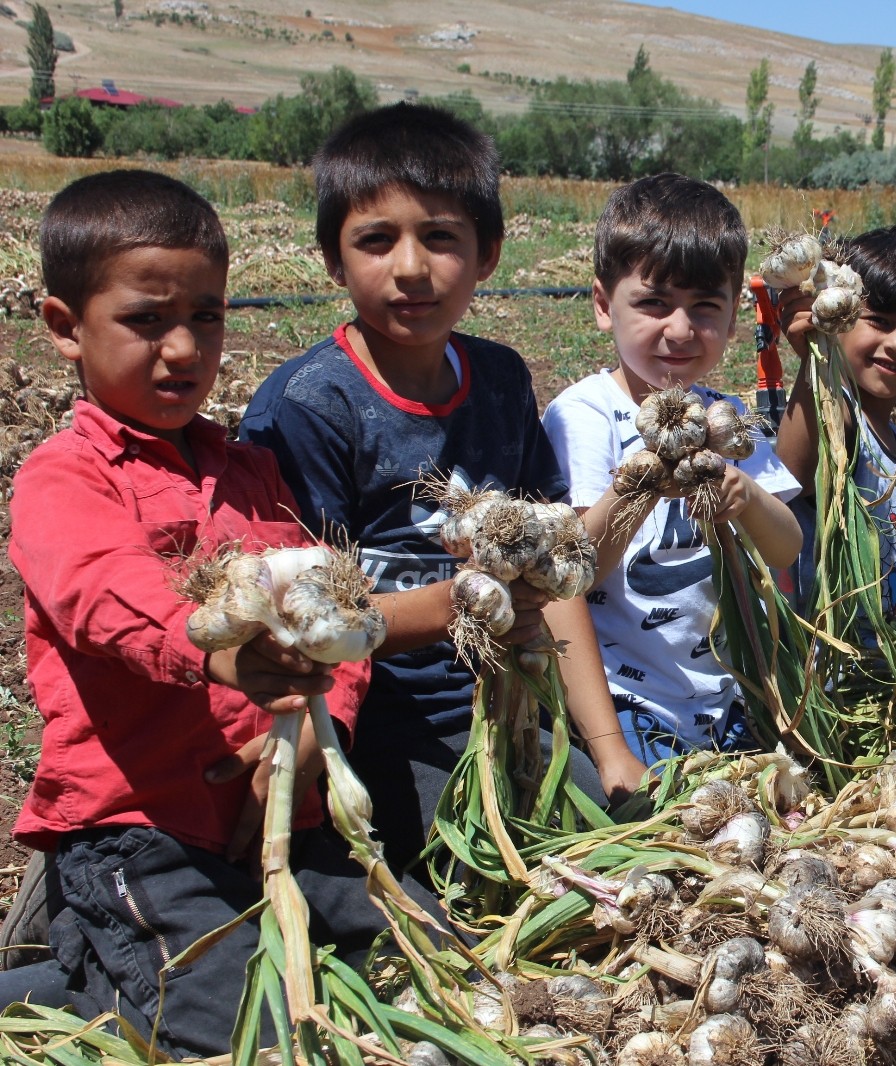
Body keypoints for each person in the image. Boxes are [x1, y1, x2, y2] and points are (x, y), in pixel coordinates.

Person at [0, 170, 404, 1057]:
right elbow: (101, 590)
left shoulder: (252, 473)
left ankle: (73, 967)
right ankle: (66, 971)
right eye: (147, 320)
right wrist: (213, 649)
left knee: (416, 954)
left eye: (208, 316)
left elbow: (337, 612)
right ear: (66, 328)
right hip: (142, 832)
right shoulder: (65, 477)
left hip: (281, 818)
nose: (183, 348)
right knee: (235, 1025)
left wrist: (307, 737)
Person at [239, 104, 647, 874]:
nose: (411, 267)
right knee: (500, 880)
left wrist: (607, 745)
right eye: (375, 239)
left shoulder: (497, 380)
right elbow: (300, 622)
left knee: (626, 845)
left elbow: (549, 571)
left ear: (488, 253)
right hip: (382, 722)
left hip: (511, 704)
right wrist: (454, 602)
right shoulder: (309, 408)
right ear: (332, 258)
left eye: (440, 236)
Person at [543, 173, 803, 765]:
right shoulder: (586, 415)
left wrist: (746, 496)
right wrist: (644, 481)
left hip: (728, 697)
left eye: (705, 308)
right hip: (628, 701)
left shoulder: (724, 417)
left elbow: (787, 547)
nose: (680, 330)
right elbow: (574, 570)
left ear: (734, 317)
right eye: (654, 303)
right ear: (605, 306)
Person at [774, 219, 896, 630]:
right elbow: (790, 477)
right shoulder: (840, 414)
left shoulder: (893, 435)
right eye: (877, 320)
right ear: (838, 314)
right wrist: (813, 360)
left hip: (882, 666)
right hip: (831, 672)